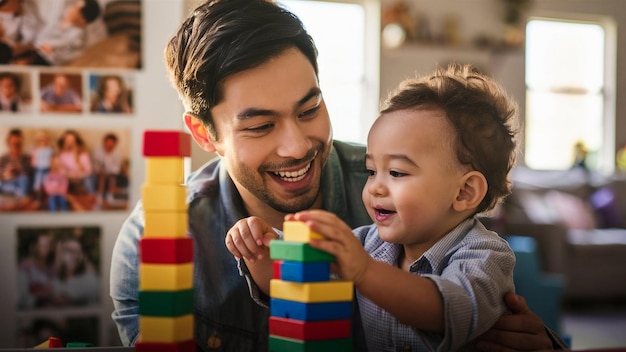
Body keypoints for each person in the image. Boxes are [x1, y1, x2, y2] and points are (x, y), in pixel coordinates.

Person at [109, 1, 566, 351]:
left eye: (310, 109)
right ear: (204, 134)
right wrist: (264, 261)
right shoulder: (153, 243)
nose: (297, 145)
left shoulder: (395, 196)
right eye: (260, 126)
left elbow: (477, 307)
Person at [227, 64, 521, 350]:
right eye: (371, 171)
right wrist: (262, 251)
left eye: (396, 172)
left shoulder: (485, 255)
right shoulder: (368, 243)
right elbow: (297, 282)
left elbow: (451, 311)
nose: (375, 187)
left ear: (464, 192)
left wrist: (365, 272)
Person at [27, 0, 100, 66]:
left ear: (82, 20)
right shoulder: (59, 20)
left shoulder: (79, 37)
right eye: (74, 5)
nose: (71, 8)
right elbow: (39, 37)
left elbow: (58, 54)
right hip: (33, 50)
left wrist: (50, 49)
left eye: (76, 8)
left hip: (44, 62)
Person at [17, 231, 55, 309]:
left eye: (48, 246)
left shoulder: (52, 268)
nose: (47, 249)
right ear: (34, 247)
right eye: (43, 246)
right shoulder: (24, 267)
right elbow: (22, 298)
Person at [0, 128, 33, 210]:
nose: (15, 147)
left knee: (24, 179)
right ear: (8, 143)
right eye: (13, 144)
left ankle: (20, 200)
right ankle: (19, 199)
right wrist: (6, 174)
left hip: (20, 185)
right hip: (7, 184)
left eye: (18, 144)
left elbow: (29, 176)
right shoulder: (3, 158)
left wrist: (20, 169)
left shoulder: (26, 158)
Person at [92, 132, 124, 207]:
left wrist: (110, 171)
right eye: (107, 142)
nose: (108, 145)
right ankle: (99, 196)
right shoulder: (97, 150)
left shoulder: (117, 153)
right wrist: (100, 170)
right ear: (104, 142)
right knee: (102, 176)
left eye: (111, 143)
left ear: (114, 144)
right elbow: (95, 163)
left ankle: (110, 195)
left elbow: (117, 167)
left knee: (112, 178)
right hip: (99, 172)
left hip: (111, 173)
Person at [30, 129, 54, 200]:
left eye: (44, 139)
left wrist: (52, 167)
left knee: (46, 178)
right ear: (38, 140)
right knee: (38, 177)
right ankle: (37, 192)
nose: (43, 141)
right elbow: (33, 160)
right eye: (40, 139)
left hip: (47, 167)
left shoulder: (49, 149)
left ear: (47, 140)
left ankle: (44, 192)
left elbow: (52, 159)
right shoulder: (35, 148)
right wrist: (34, 164)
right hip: (39, 167)